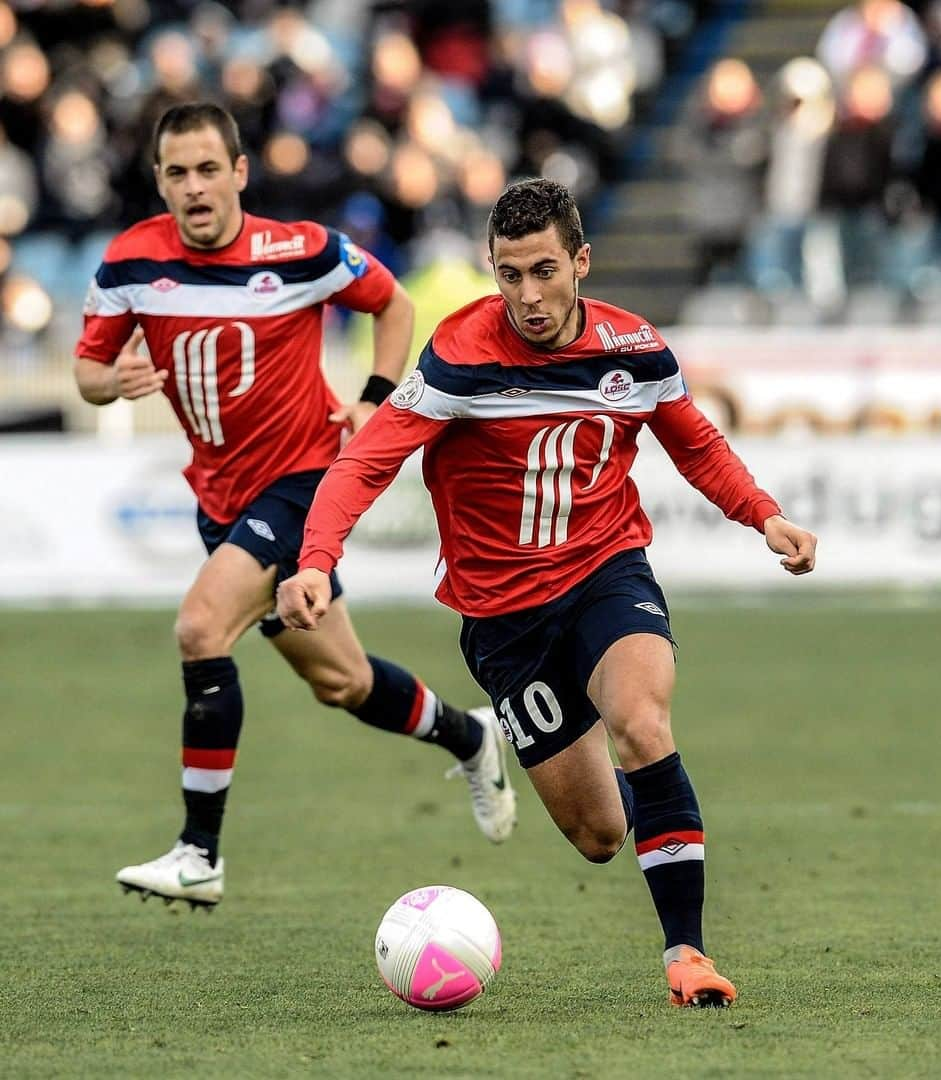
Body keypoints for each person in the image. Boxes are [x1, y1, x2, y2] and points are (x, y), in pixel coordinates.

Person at [277, 178, 817, 1006]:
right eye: (508, 274)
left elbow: (696, 445)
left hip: (607, 571)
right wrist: (317, 558)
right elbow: (368, 459)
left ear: (581, 263)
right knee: (601, 834)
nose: (527, 295)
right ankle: (632, 793)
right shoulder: (460, 355)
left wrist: (764, 516)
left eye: (543, 271)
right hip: (502, 620)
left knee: (642, 721)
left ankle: (687, 954)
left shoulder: (636, 351)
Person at [72, 102, 516, 910]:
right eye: (178, 173)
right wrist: (116, 381)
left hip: (306, 479)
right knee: (342, 682)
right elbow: (88, 372)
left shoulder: (301, 250)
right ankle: (472, 733)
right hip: (221, 499)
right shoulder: (129, 265)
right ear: (161, 182)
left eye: (210, 169)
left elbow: (394, 304)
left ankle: (199, 852)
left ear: (240, 173)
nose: (195, 187)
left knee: (201, 628)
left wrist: (376, 399)